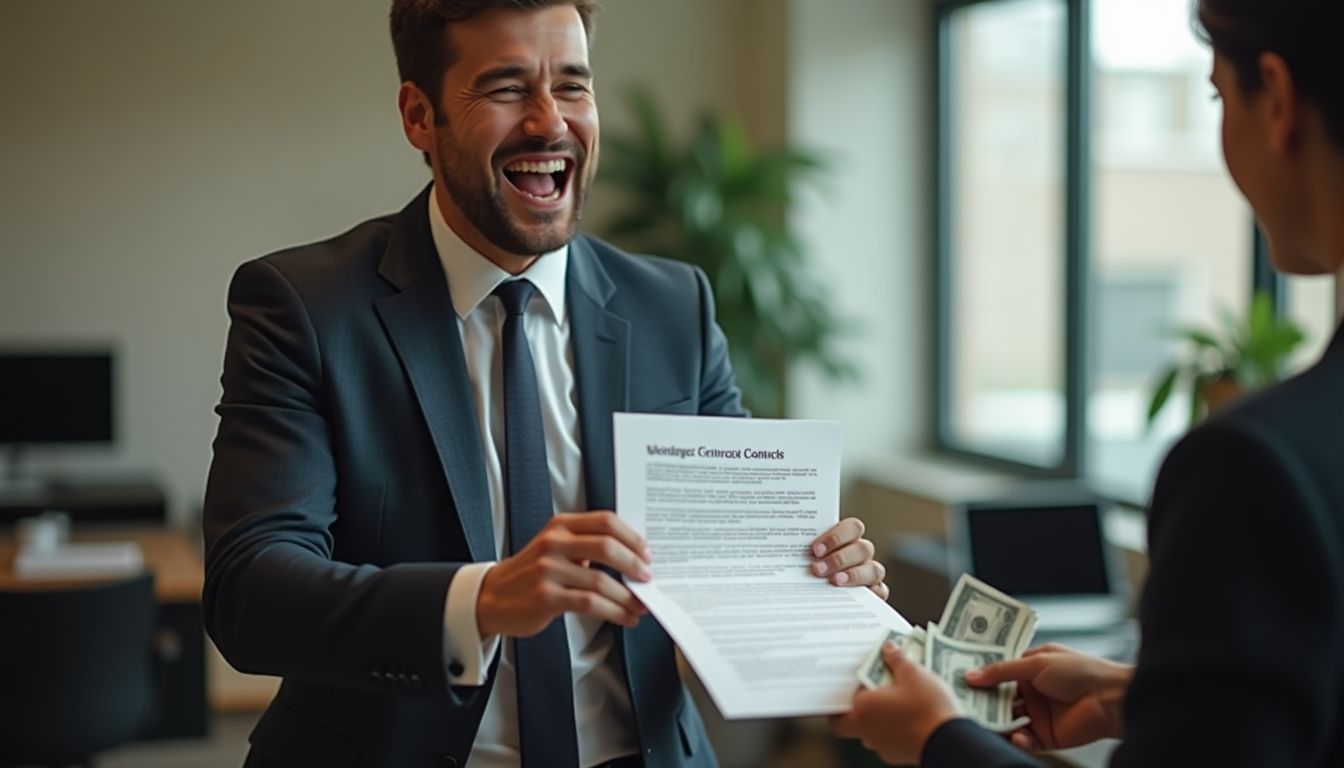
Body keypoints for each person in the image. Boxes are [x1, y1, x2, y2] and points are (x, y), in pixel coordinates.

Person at [201, 2, 890, 767]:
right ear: (419, 116)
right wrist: (485, 597)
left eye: (572, 85)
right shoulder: (305, 308)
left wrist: (817, 581)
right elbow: (250, 593)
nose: (549, 123)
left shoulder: (675, 308)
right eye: (505, 88)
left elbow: (731, 575)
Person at [832, 0, 1344, 765]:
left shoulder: (1253, 470)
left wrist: (938, 739)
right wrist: (1133, 696)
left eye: (1214, 96)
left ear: (1275, 97)